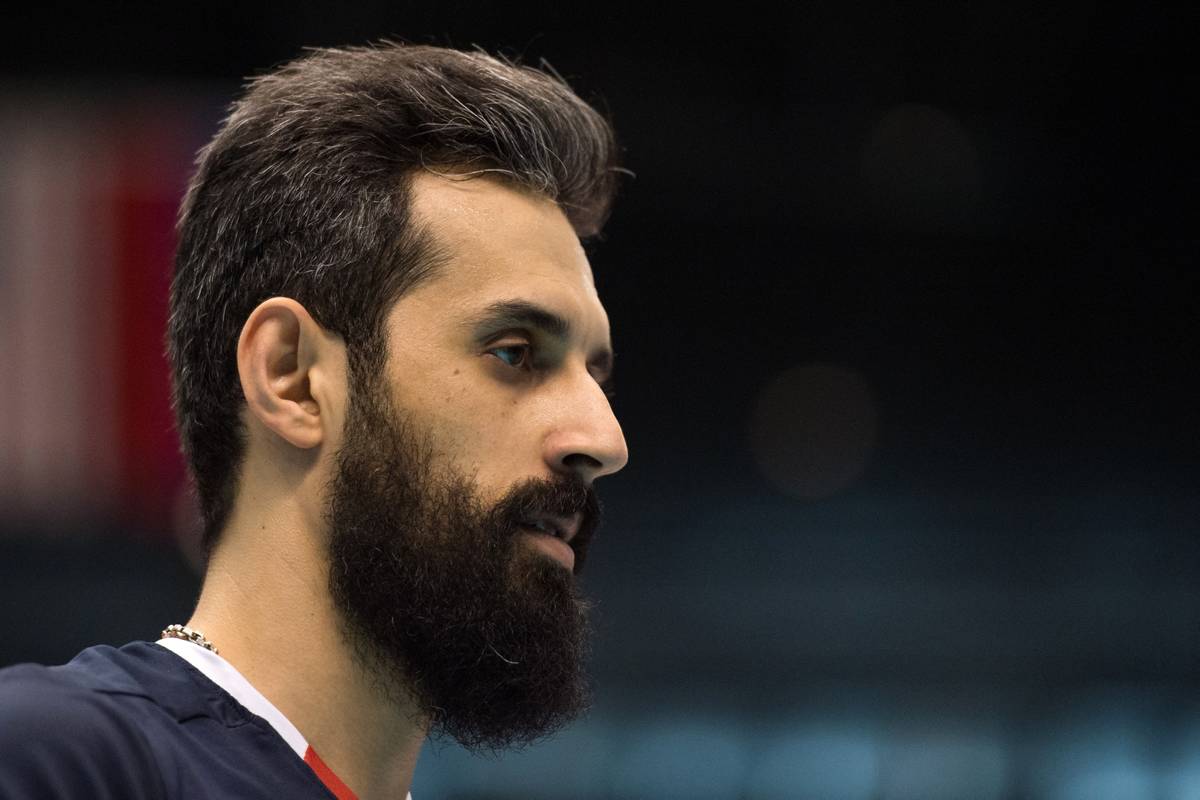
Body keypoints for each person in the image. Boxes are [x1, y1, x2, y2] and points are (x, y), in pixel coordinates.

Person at [0, 42, 629, 800]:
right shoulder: (56, 760)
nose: (604, 441)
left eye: (595, 375)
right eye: (515, 353)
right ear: (291, 377)